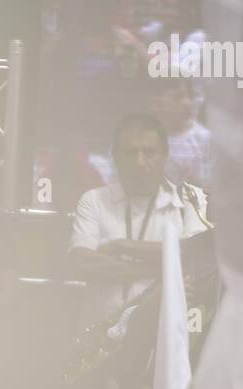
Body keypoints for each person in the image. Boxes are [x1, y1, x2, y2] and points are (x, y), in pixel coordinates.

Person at [69, 113, 211, 336]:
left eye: (149, 152)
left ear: (165, 155)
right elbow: (82, 264)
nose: (139, 162)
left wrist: (122, 246)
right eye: (130, 152)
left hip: (161, 341)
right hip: (97, 340)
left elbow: (193, 258)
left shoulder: (190, 198)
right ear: (115, 156)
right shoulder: (93, 200)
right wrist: (164, 270)